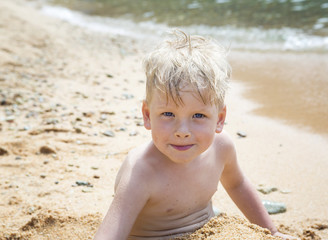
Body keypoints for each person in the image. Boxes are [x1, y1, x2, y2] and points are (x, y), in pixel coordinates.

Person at [94, 30, 298, 240]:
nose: (182, 131)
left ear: (219, 119)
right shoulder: (141, 171)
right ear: (147, 115)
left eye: (198, 115)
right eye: (167, 114)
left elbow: (237, 185)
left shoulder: (222, 148)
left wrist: (271, 232)